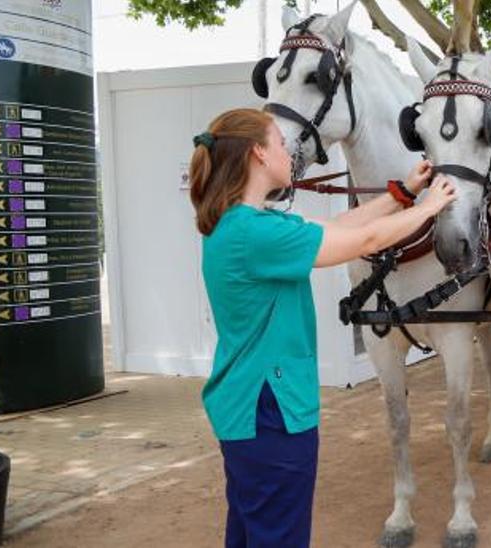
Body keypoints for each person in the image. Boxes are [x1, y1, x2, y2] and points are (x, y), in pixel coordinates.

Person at [188, 108, 454, 547]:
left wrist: (402, 193)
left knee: (251, 532)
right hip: (268, 412)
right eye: (278, 143)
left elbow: (337, 227)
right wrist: (431, 208)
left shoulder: (246, 225)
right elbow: (365, 242)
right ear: (257, 153)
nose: (287, 153)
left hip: (248, 409)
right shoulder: (254, 234)